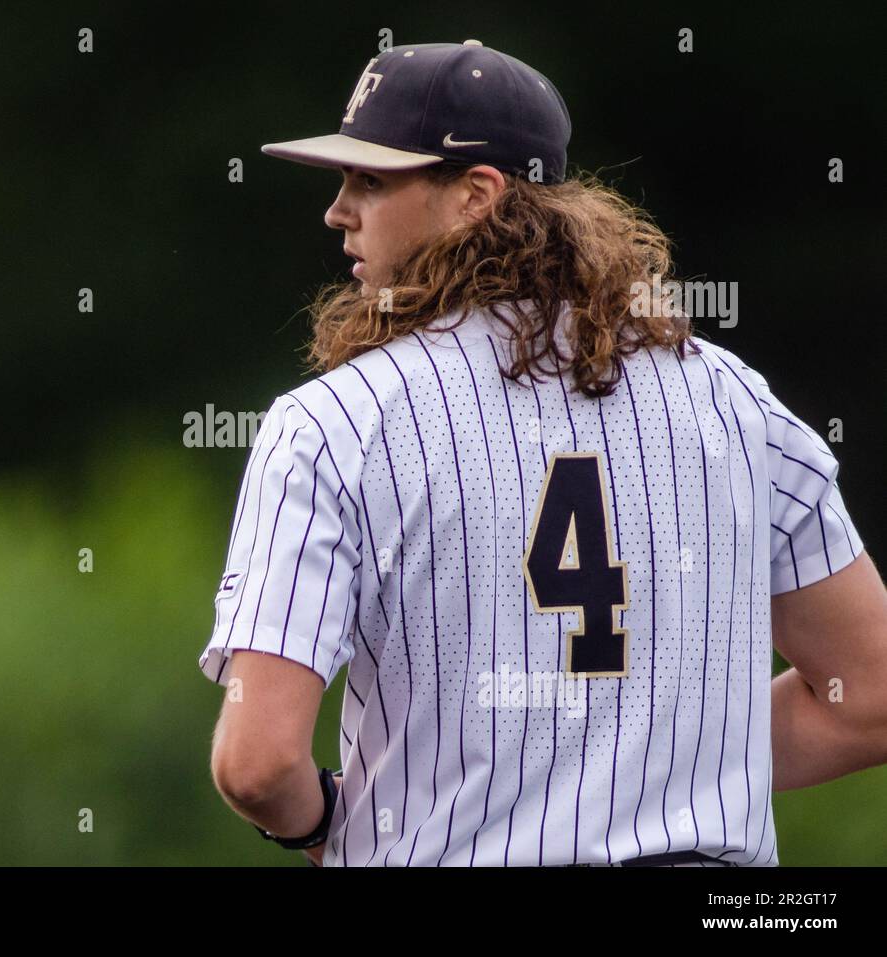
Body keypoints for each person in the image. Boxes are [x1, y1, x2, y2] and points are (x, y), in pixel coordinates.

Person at [195, 41, 887, 867]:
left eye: (371, 181)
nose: (338, 210)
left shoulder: (332, 423)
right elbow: (868, 698)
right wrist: (656, 764)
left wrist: (319, 824)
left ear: (475, 196)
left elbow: (256, 762)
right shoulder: (734, 399)